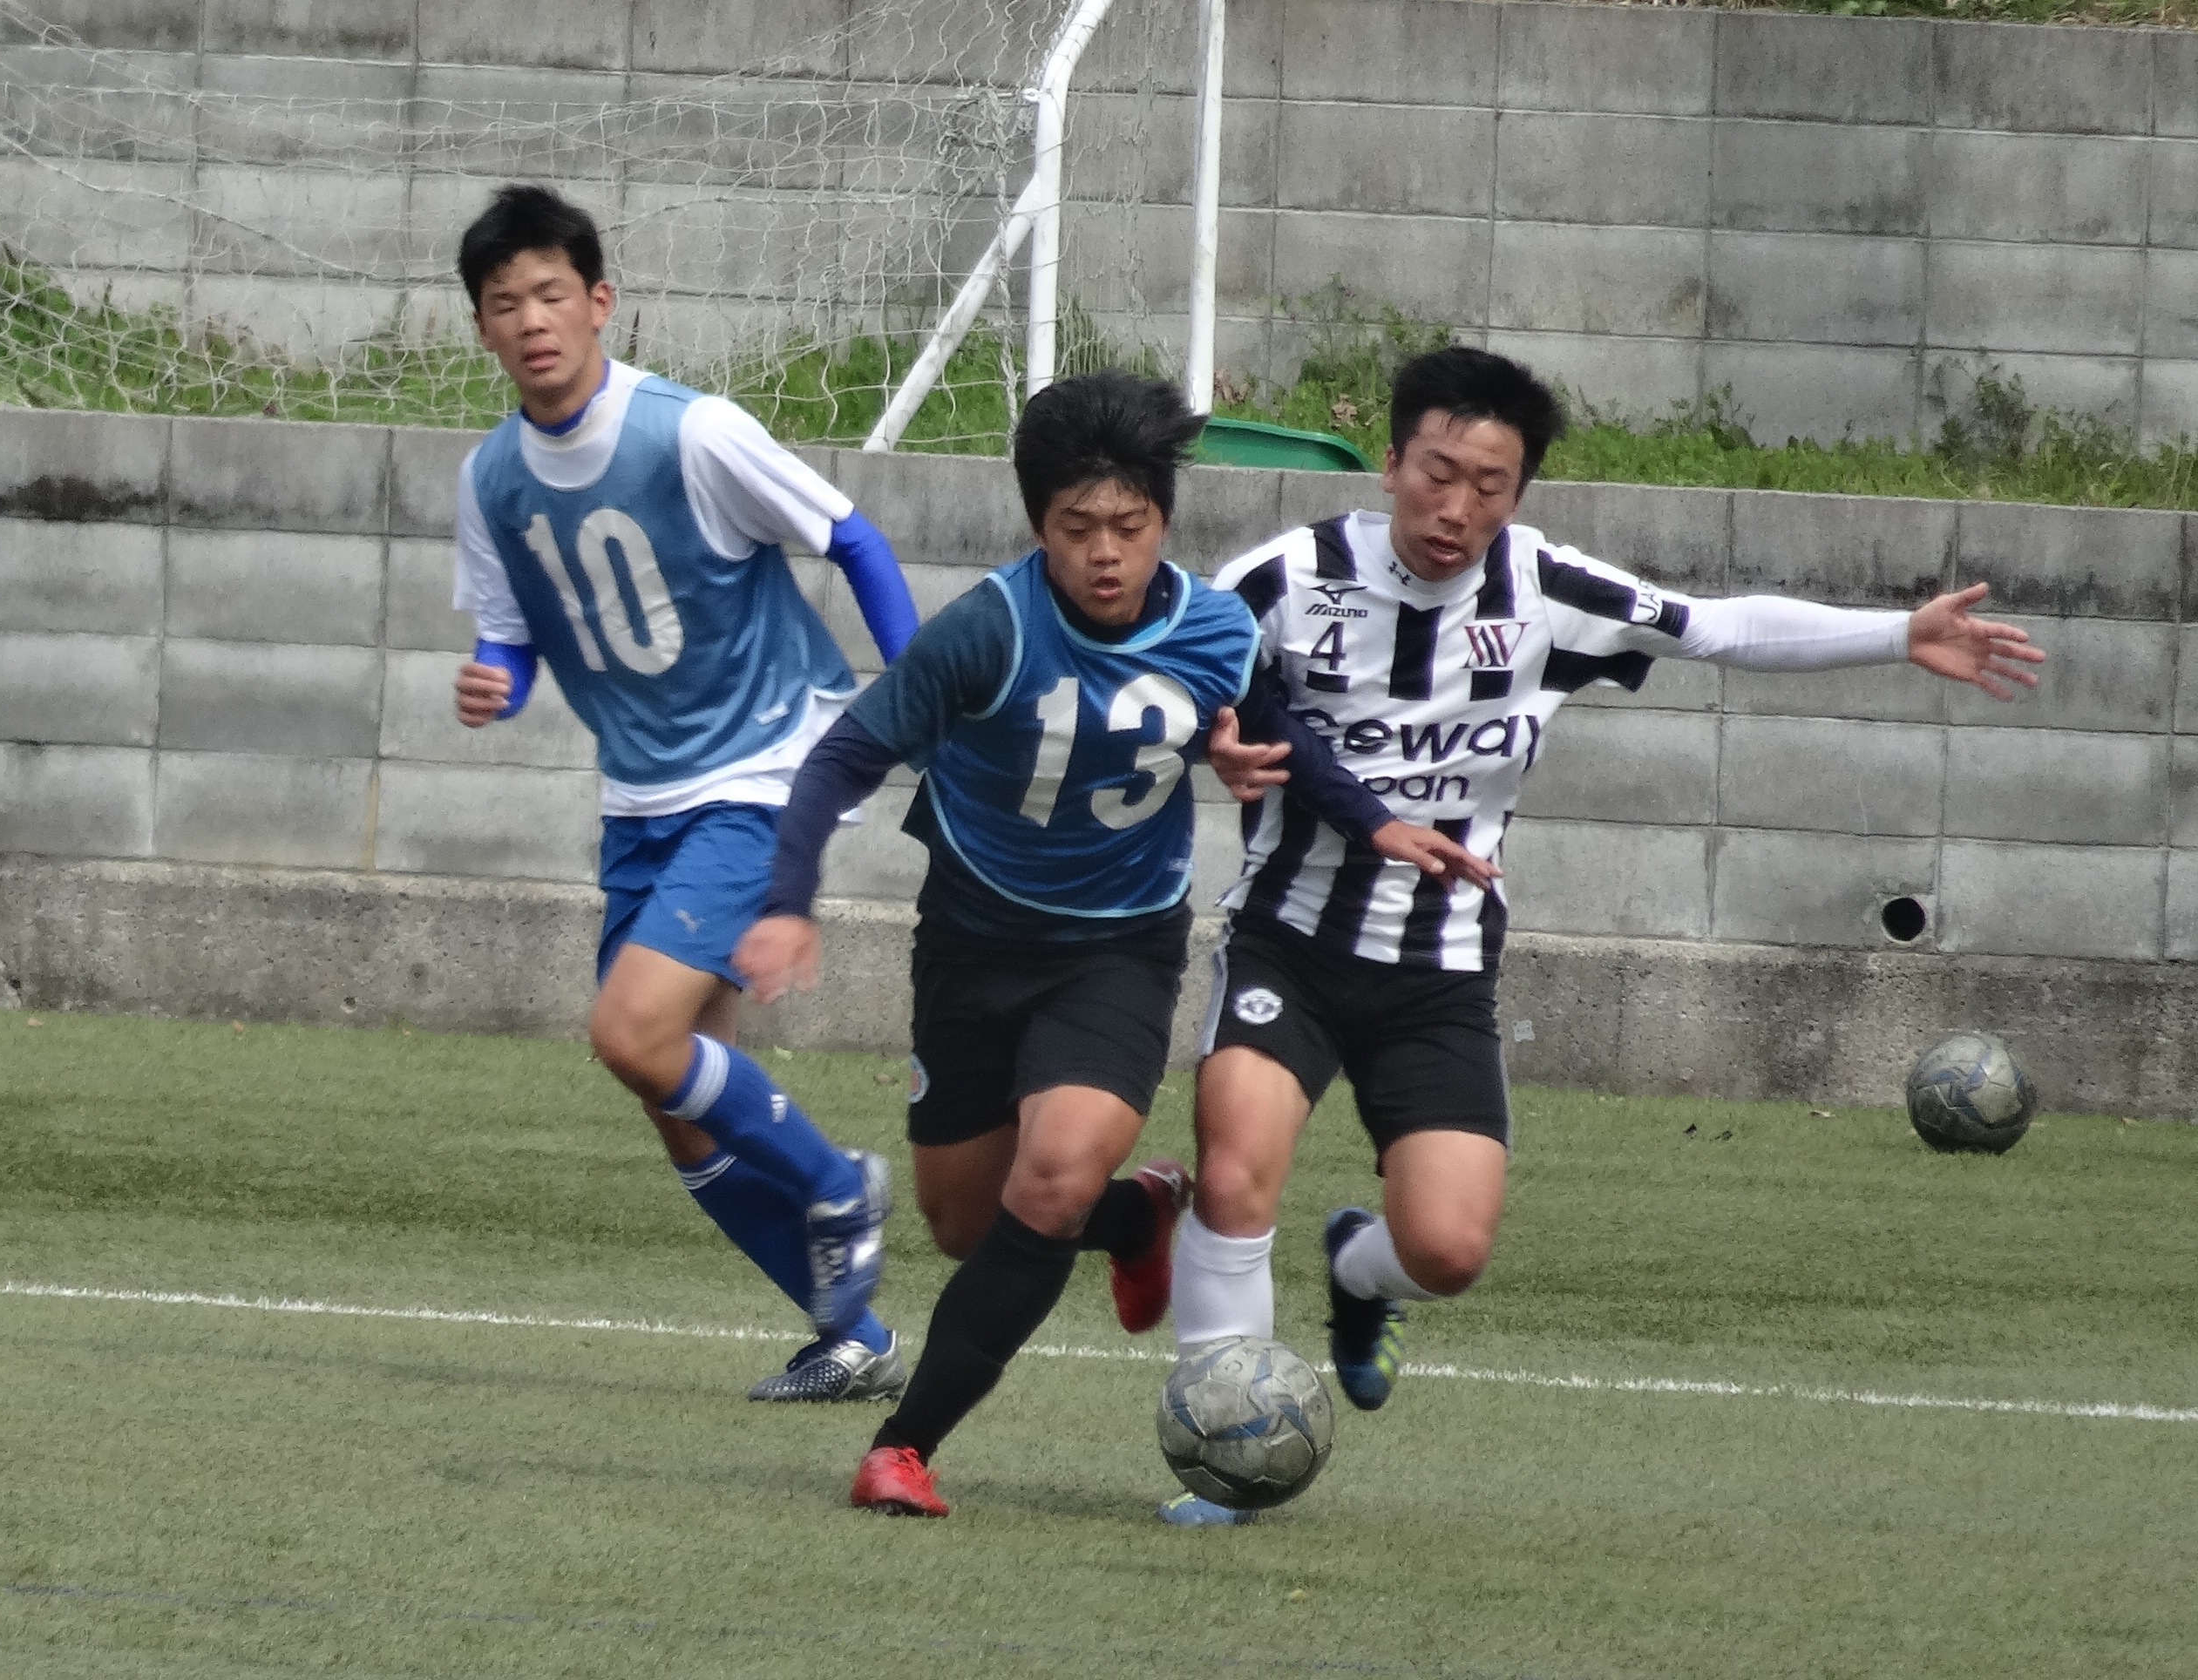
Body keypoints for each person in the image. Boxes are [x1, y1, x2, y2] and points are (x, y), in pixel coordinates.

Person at [1163, 344, 2047, 1525]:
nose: (1457, 507)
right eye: (1438, 473)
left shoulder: (1543, 589)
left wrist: (1896, 633)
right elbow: (1175, 685)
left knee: (1449, 1252)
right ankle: (1224, 1465)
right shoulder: (1281, 579)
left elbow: (1715, 629)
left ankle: (1357, 1269)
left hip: (1439, 966)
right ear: (1390, 464)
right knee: (1232, 1170)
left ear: (1519, 493)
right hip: (1289, 941)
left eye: (1490, 485)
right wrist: (1210, 744)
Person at [740, 371, 1482, 1518]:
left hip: (1117, 952)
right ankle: (1138, 1217)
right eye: (1076, 526)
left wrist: (1375, 821)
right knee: (964, 1224)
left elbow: (1275, 733)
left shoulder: (1215, 628)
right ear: (1038, 526)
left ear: (1163, 521)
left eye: (1129, 526)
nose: (1104, 552)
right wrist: (790, 898)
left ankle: (904, 1450)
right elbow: (844, 757)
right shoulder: (987, 629)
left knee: (1050, 1179)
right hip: (970, 943)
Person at [451, 184, 926, 1404]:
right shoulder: (492, 478)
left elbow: (852, 539)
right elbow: (513, 634)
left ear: (600, 302)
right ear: (482, 329)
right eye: (506, 303)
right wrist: (497, 680)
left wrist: (913, 696)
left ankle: (837, 1182)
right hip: (642, 800)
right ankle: (853, 1336)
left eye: (551, 293)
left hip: (765, 771)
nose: (532, 320)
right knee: (673, 1094)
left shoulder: (694, 432)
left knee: (631, 1033)